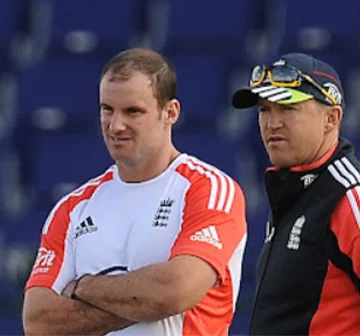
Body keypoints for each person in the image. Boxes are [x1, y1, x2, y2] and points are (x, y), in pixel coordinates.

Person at [22, 48, 248, 336]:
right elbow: (39, 321)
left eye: (133, 111)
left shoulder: (209, 189)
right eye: (107, 109)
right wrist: (143, 300)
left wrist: (84, 287)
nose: (116, 125)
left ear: (171, 112)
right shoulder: (73, 207)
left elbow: (176, 290)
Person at [231, 53, 360, 335]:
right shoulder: (295, 192)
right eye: (264, 110)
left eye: (288, 108)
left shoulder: (356, 199)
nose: (272, 123)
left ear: (331, 118)